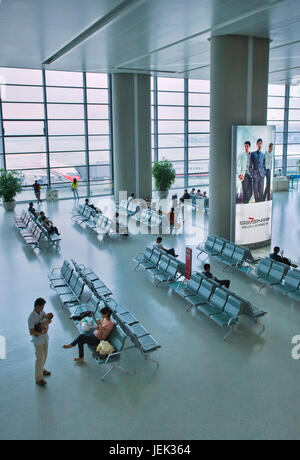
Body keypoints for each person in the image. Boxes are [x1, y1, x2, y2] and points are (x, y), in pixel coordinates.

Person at [28, 298, 52, 387]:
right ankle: (38, 378)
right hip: (38, 341)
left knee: (45, 355)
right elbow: (31, 332)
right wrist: (41, 332)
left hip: (45, 338)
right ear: (37, 306)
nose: (43, 308)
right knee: (39, 358)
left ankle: (41, 369)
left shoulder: (42, 312)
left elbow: (47, 321)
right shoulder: (31, 317)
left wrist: (47, 322)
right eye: (42, 306)